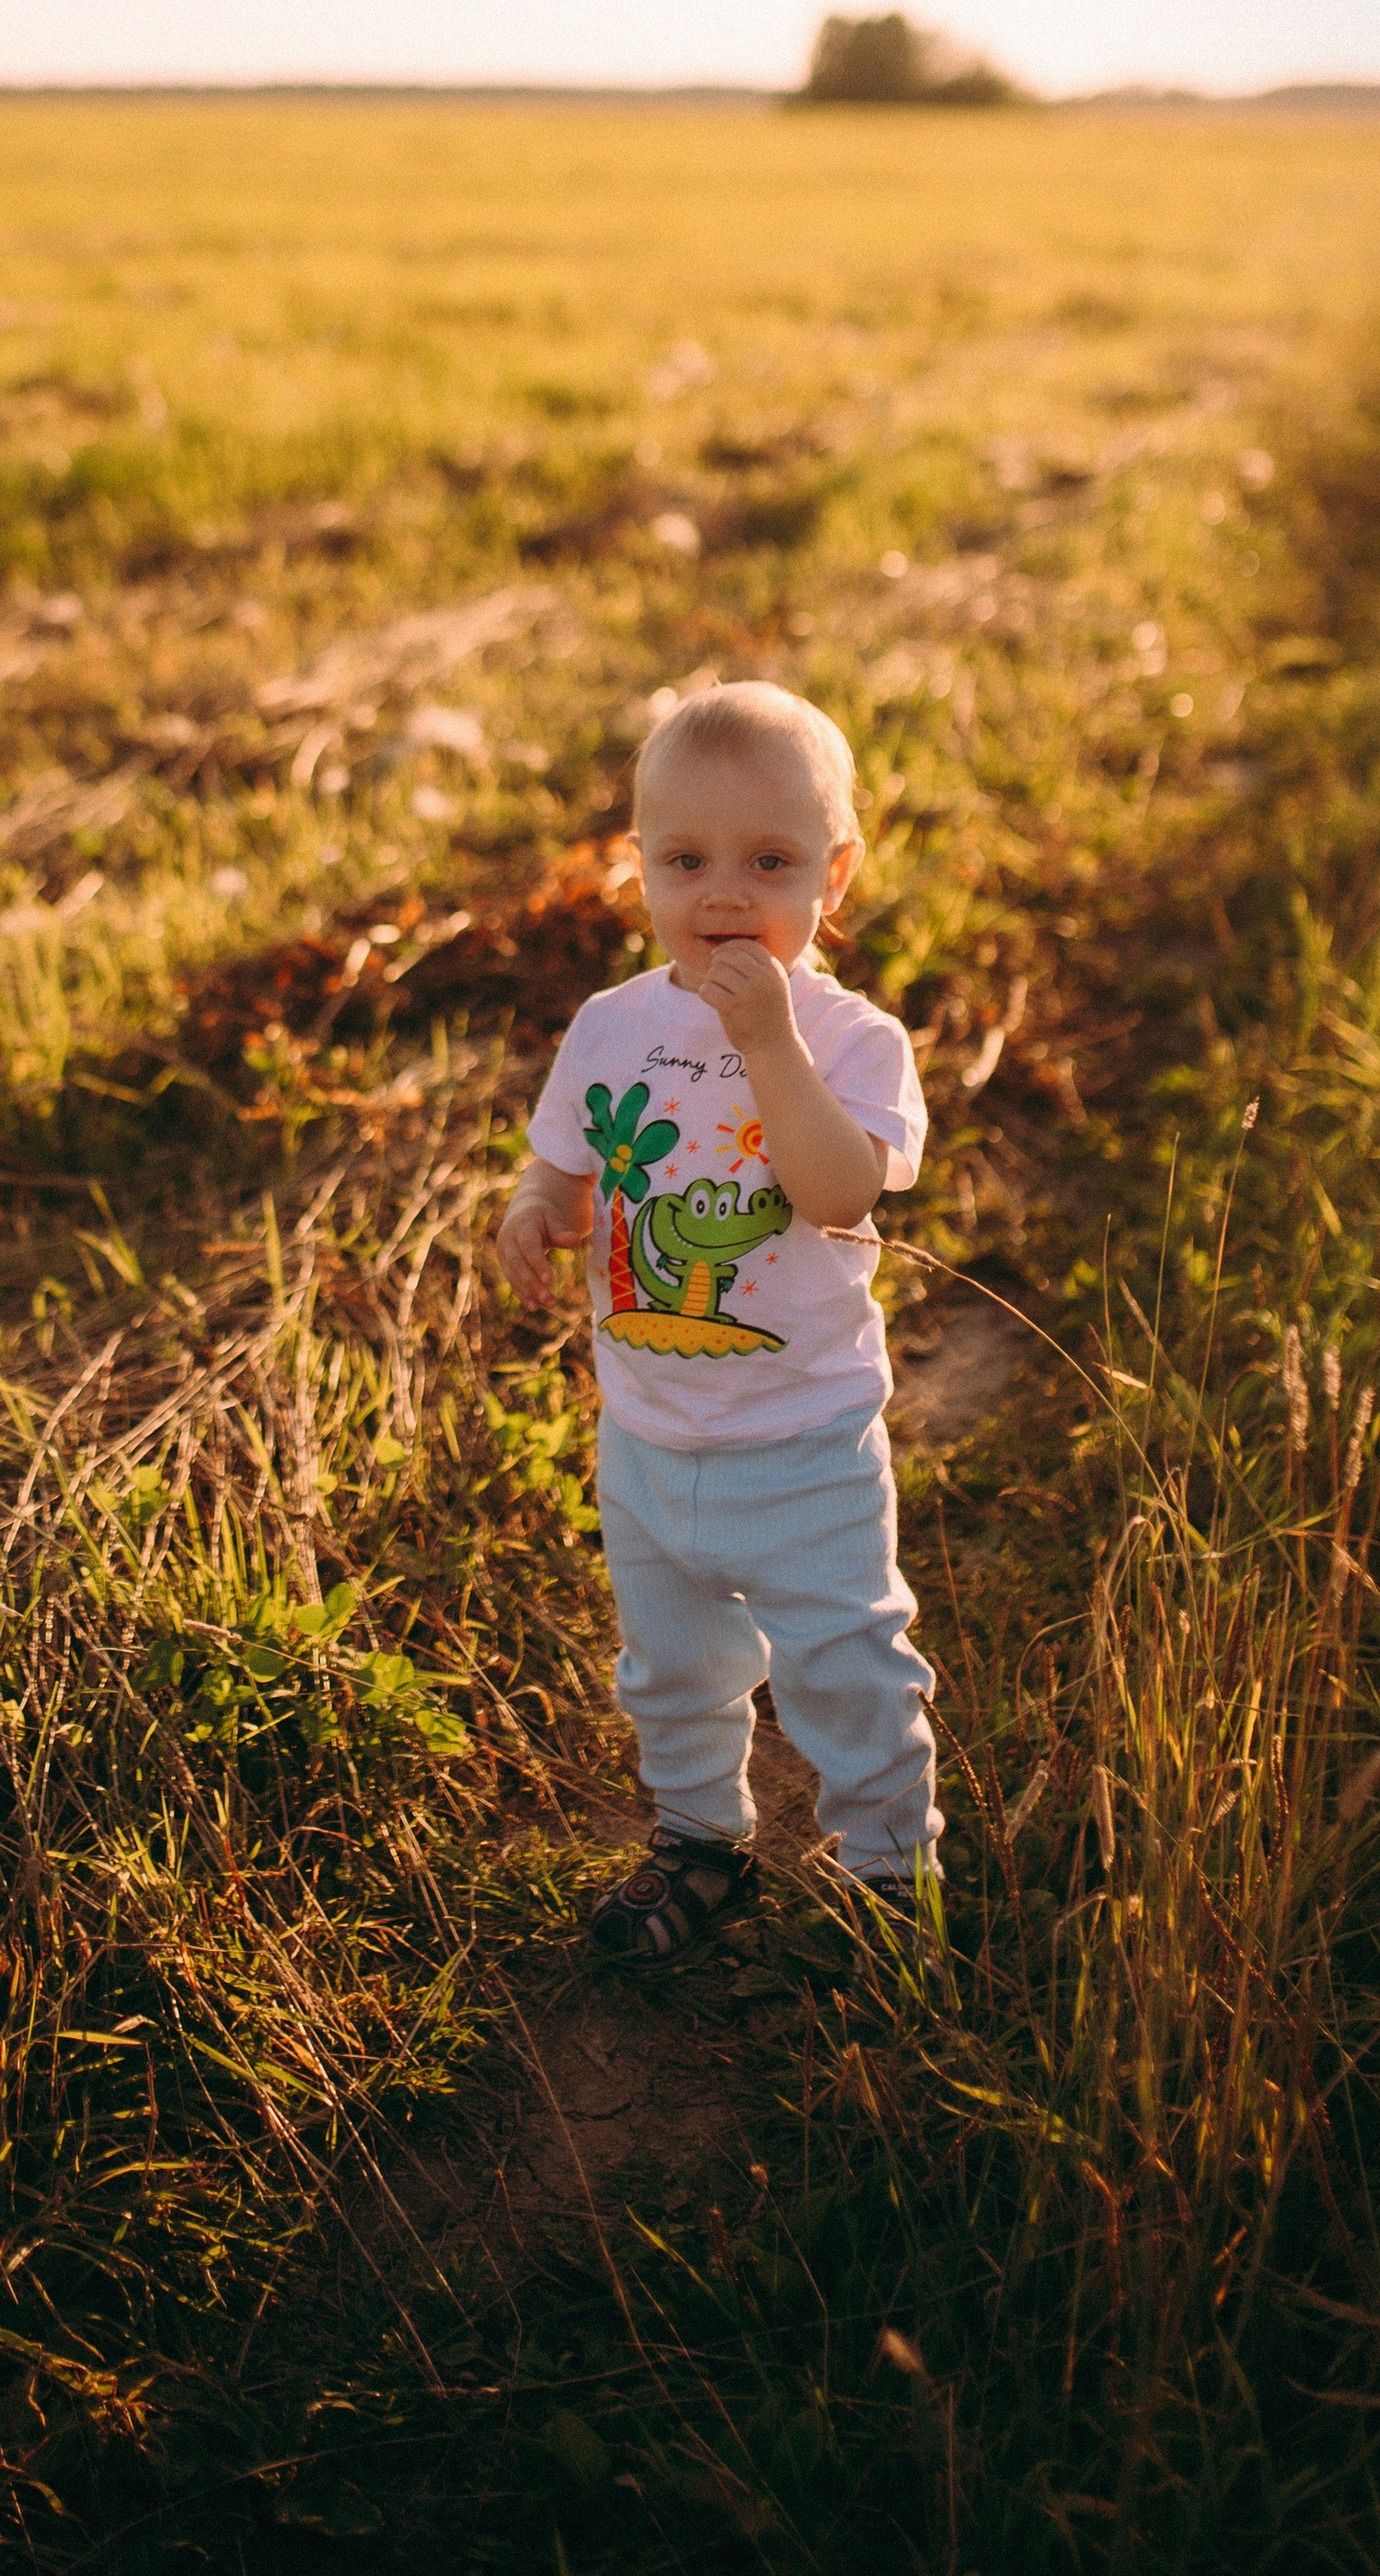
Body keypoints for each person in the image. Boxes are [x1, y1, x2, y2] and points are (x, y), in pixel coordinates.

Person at [496, 681, 943, 1961]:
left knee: (845, 1662)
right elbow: (564, 1164)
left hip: (804, 1440)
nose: (725, 896)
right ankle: (700, 1840)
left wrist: (769, 1045)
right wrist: (536, 1209)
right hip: (646, 1434)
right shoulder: (611, 1026)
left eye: (770, 864)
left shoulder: (851, 1040)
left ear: (835, 874)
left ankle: (890, 1873)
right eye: (686, 862)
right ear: (639, 866)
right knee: (672, 1665)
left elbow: (838, 1192)